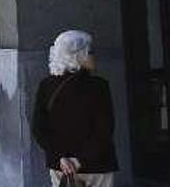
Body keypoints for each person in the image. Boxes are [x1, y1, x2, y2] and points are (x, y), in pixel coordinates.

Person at [32, 30, 118, 187]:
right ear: (78, 55)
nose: (94, 55)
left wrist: (61, 158)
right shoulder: (99, 86)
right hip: (97, 166)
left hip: (61, 168)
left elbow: (39, 129)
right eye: (89, 51)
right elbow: (105, 130)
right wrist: (79, 160)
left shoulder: (46, 86)